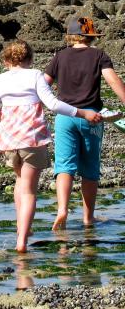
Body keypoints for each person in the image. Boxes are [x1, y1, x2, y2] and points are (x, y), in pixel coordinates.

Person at [0, 39, 101, 253]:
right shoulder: (35, 75)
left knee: (20, 181)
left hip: (8, 140)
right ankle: (22, 241)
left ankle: (23, 228)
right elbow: (53, 104)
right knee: (29, 190)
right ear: (30, 59)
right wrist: (84, 113)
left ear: (5, 61)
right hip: (32, 139)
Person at [44, 15, 125, 231]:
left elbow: (44, 85)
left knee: (64, 167)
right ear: (90, 36)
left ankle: (62, 209)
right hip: (92, 117)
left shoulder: (60, 56)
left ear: (71, 36)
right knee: (90, 170)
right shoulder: (99, 55)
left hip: (65, 117)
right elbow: (112, 80)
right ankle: (88, 218)